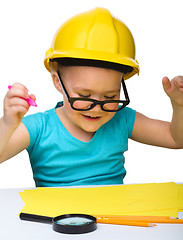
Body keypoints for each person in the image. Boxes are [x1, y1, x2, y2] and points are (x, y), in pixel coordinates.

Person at [0, 7, 183, 187]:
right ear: (57, 82)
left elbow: (175, 139)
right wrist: (8, 124)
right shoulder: (39, 128)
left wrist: (179, 105)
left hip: (114, 216)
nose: (97, 108)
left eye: (110, 96)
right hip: (58, 216)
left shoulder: (122, 119)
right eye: (84, 95)